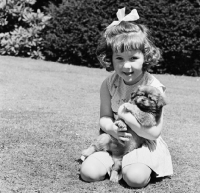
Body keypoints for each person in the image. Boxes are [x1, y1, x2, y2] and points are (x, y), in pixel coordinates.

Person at [80, 7, 173, 188]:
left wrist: (125, 115)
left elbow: (153, 132)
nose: (126, 65)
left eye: (133, 58)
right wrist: (111, 129)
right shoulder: (109, 84)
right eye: (119, 58)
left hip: (144, 142)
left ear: (145, 57)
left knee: (135, 178)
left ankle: (133, 165)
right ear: (111, 59)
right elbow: (105, 117)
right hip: (117, 140)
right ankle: (115, 162)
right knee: (88, 172)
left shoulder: (154, 88)